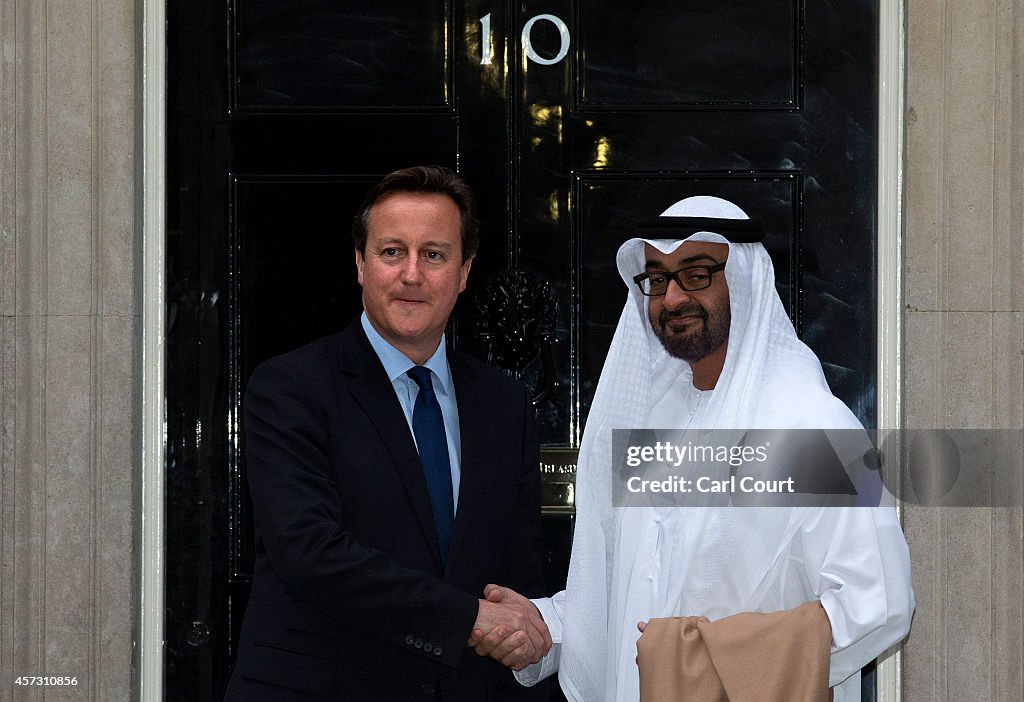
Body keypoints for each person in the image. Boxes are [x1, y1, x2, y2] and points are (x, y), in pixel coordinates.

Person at [470, 195, 915, 701]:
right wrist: (547, 626)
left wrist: (708, 660)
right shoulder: (653, 423)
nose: (672, 297)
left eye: (697, 273)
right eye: (657, 279)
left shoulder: (811, 428)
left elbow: (880, 600)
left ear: (743, 282)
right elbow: (637, 584)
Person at [224, 166, 551, 701]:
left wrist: (527, 631)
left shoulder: (505, 403)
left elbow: (518, 570)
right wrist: (468, 618)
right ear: (360, 264)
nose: (412, 275)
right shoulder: (290, 388)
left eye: (435, 255)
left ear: (464, 272)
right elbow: (309, 553)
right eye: (392, 252)